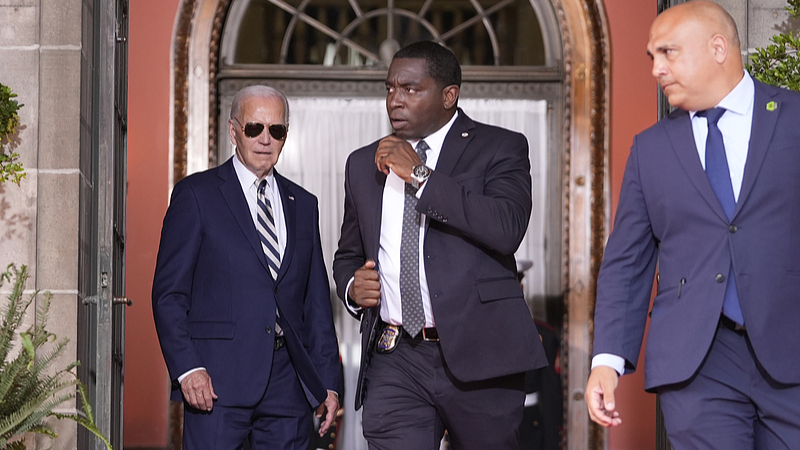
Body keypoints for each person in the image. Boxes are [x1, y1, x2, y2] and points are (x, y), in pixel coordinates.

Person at [586, 1, 800, 448]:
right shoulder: (650, 149)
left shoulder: (795, 120)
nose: (657, 69)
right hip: (697, 363)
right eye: (652, 57)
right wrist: (606, 360)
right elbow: (626, 262)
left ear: (718, 47)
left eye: (668, 53)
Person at [333, 41, 547, 450]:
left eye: (410, 89)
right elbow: (348, 253)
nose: (395, 100)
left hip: (482, 354)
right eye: (390, 88)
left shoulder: (499, 147)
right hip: (395, 357)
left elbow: (506, 227)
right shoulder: (363, 163)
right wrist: (351, 289)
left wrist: (419, 174)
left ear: (449, 95)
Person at [152, 85, 340, 449]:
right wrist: (188, 368)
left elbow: (316, 303)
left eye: (277, 130)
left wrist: (328, 382)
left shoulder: (303, 203)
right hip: (215, 384)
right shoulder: (196, 195)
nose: (265, 139)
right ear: (233, 131)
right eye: (255, 128)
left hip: (289, 385)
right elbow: (169, 294)